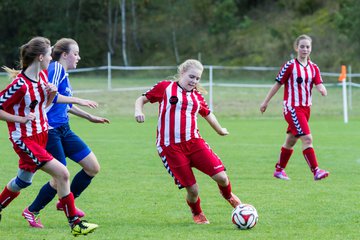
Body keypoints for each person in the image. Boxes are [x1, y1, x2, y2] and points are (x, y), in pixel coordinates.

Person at [0, 36, 98, 236]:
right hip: (25, 139)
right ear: (40, 57)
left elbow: (46, 106)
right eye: (49, 54)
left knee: (23, 181)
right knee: (62, 173)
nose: (51, 58)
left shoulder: (43, 78)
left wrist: (52, 93)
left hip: (41, 135)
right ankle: (76, 224)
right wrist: (20, 120)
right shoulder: (20, 84)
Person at [134, 59, 241, 224]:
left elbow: (207, 113)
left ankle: (229, 196)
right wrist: (138, 111)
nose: (194, 81)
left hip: (194, 143)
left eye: (198, 78)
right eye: (191, 76)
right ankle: (197, 213)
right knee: (193, 189)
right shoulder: (165, 87)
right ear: (182, 73)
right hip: (170, 148)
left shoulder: (196, 97)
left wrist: (220, 130)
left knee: (222, 178)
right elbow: (141, 99)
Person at [22, 38, 109, 228]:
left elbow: (66, 105)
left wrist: (89, 117)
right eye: (75, 53)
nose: (78, 57)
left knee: (92, 167)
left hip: (65, 129)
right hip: (50, 131)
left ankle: (65, 202)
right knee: (60, 176)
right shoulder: (56, 69)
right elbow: (50, 98)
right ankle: (32, 211)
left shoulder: (63, 74)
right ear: (64, 55)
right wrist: (79, 99)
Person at [260, 34, 329, 181]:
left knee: (291, 140)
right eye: (302, 46)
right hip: (292, 108)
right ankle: (316, 171)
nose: (305, 49)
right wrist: (265, 102)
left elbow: (319, 83)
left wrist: (322, 89)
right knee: (307, 139)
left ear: (311, 49)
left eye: (307, 47)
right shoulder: (290, 65)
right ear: (297, 48)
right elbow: (277, 84)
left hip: (306, 109)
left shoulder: (314, 68)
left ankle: (279, 170)